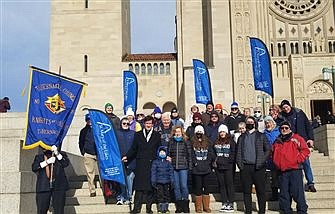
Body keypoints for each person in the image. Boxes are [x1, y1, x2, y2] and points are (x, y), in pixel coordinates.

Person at [122, 115, 161, 214]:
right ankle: (136, 208)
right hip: (140, 163)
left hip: (152, 163)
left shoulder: (157, 135)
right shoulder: (138, 134)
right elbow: (133, 148)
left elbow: (159, 149)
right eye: (147, 123)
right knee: (139, 187)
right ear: (144, 124)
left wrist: (164, 157)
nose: (148, 125)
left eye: (150, 123)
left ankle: (149, 208)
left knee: (150, 188)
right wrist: (127, 156)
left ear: (152, 124)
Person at [272, 121, 310, 214]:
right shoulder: (277, 141)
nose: (284, 130)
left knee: (297, 193)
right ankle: (286, 211)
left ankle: (302, 210)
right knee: (284, 193)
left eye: (286, 128)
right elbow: (272, 153)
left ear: (290, 129)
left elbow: (305, 151)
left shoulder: (297, 138)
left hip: (294, 170)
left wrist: (297, 160)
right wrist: (276, 161)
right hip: (282, 171)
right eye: (282, 128)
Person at [280, 99, 316, 192]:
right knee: (295, 165)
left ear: (290, 106)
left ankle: (310, 182)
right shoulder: (282, 116)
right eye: (283, 108)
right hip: (290, 143)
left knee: (306, 163)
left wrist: (310, 138)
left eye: (286, 107)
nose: (285, 109)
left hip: (302, 141)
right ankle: (297, 184)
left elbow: (308, 125)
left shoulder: (299, 113)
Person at [236, 116, 270, 214]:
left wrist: (262, 161)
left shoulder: (261, 135)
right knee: (246, 191)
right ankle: (248, 211)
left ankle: (262, 211)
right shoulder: (242, 137)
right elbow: (238, 152)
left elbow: (268, 149)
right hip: (245, 167)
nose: (249, 123)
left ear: (254, 123)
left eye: (251, 122)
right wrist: (240, 165)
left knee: (261, 191)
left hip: (258, 167)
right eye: (248, 122)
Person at [32, 146, 69, 214]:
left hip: (58, 187)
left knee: (59, 210)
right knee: (41, 210)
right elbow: (34, 167)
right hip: (43, 187)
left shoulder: (60, 155)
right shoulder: (39, 157)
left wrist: (57, 153)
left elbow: (65, 163)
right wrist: (46, 162)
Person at [168, 125, 193, 213]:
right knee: (176, 187)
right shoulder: (171, 141)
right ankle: (179, 206)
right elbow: (169, 153)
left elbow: (189, 154)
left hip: (183, 167)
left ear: (182, 132)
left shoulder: (186, 141)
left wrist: (190, 166)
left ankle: (185, 205)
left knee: (183, 186)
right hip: (174, 166)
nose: (177, 133)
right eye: (176, 131)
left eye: (179, 131)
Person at [191, 125, 215, 213]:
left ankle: (206, 206)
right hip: (197, 169)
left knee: (207, 188)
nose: (199, 134)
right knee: (198, 188)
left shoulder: (207, 142)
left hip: (206, 168)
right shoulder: (192, 142)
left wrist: (208, 162)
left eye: (200, 132)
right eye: (197, 132)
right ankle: (198, 207)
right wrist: (195, 163)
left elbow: (210, 153)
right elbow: (191, 154)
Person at [213, 124, 236, 212]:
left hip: (228, 166)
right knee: (222, 185)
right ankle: (224, 202)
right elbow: (213, 153)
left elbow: (233, 152)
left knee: (229, 184)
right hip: (219, 167)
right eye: (221, 132)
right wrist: (216, 161)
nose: (222, 133)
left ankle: (230, 203)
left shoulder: (231, 142)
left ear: (226, 132)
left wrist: (229, 161)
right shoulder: (215, 142)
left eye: (223, 131)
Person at [116, 117, 136, 205]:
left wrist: (128, 156)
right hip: (120, 160)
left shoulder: (133, 133)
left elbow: (135, 147)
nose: (126, 125)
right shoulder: (117, 134)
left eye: (128, 124)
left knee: (129, 178)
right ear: (121, 124)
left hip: (131, 160)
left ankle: (129, 196)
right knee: (122, 179)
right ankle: (123, 196)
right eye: (124, 123)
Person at [78, 114, 98, 197]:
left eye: (90, 119)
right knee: (90, 173)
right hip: (88, 153)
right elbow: (81, 142)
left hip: (99, 153)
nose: (89, 121)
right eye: (88, 120)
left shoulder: (98, 129)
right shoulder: (83, 131)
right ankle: (92, 190)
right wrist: (83, 152)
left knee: (102, 172)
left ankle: (106, 189)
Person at [151, 146, 174, 214]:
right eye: (161, 152)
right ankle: (160, 209)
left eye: (163, 152)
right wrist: (153, 181)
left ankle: (166, 208)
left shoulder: (168, 162)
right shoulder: (155, 162)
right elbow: (153, 172)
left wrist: (172, 181)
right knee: (160, 195)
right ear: (158, 153)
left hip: (167, 182)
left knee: (166, 195)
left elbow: (171, 172)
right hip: (159, 182)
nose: (162, 153)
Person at [263, 116, 280, 201]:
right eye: (266, 123)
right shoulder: (264, 133)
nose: (268, 124)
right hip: (269, 159)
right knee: (273, 178)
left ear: (273, 123)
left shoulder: (279, 131)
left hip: (279, 158)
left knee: (280, 177)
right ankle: (275, 195)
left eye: (269, 122)